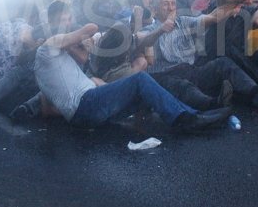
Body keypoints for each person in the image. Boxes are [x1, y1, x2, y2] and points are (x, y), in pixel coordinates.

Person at [35, 23, 231, 131]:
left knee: (143, 92)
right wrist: (77, 38)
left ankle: (194, 115)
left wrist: (74, 107)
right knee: (141, 79)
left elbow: (47, 111)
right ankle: (186, 119)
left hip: (84, 118)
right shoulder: (48, 47)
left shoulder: (42, 73)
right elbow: (91, 28)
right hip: (88, 102)